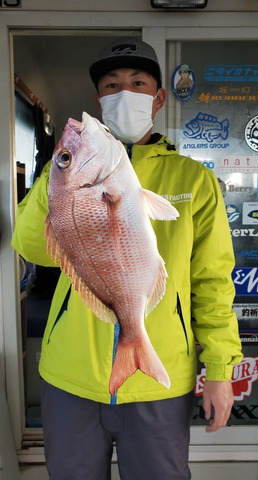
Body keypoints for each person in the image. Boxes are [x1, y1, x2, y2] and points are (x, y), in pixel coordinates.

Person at [12, 37, 243, 480]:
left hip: (161, 379)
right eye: (113, 86)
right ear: (100, 101)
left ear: (157, 98)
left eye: (138, 83)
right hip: (70, 377)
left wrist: (219, 369)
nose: (125, 92)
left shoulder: (194, 179)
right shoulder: (64, 172)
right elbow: (32, 246)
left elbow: (212, 282)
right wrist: (58, 175)